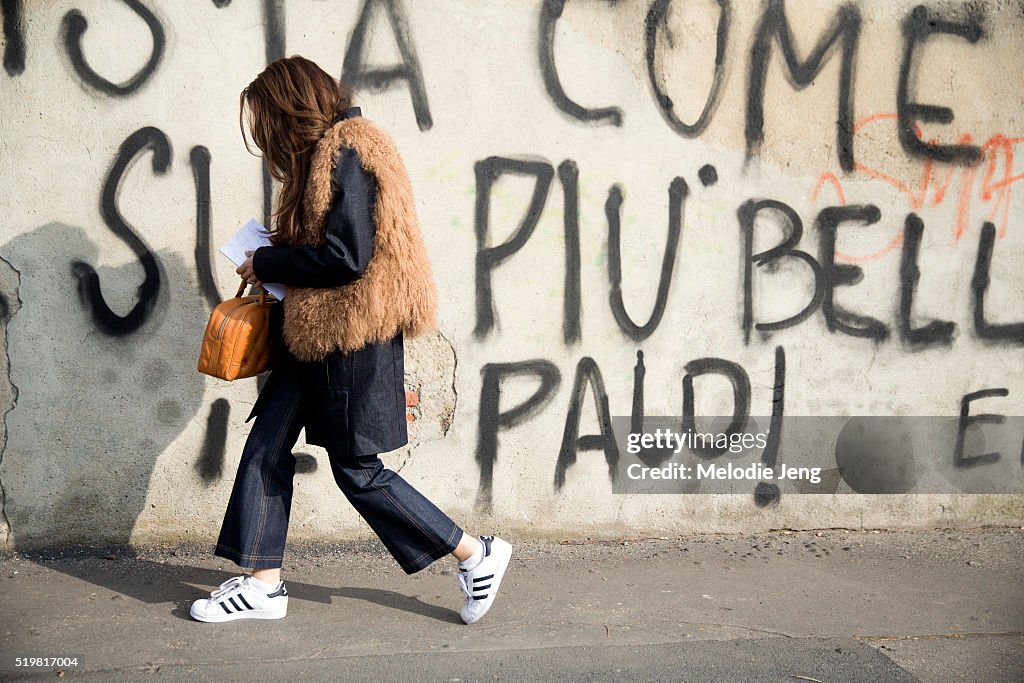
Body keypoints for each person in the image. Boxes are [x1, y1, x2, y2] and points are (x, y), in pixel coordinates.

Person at [189, 55, 511, 625]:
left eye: (267, 120)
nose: (265, 136)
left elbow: (347, 256)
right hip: (315, 336)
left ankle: (474, 552)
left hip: (348, 338)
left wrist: (266, 259)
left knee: (356, 471)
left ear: (291, 108)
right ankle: (263, 586)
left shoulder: (349, 149)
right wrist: (275, 251)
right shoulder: (328, 154)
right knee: (266, 446)